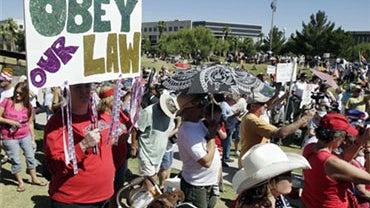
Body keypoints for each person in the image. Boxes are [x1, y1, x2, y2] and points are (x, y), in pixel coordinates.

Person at [44, 83, 115, 207]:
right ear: (67, 91)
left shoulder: (100, 116)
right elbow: (54, 166)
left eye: (87, 86)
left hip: (104, 195)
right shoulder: (57, 123)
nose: (84, 91)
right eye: (78, 87)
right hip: (74, 200)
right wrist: (83, 145)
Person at [301, 113, 370, 208]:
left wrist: (359, 142)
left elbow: (342, 157)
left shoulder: (310, 148)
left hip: (311, 202)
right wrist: (368, 148)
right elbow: (368, 178)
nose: (344, 140)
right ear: (335, 138)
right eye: (344, 136)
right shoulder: (331, 162)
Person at [239, 92, 315, 168]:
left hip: (251, 161)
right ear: (253, 106)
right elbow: (281, 133)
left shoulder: (251, 117)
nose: (265, 106)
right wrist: (304, 118)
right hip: (251, 163)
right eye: (262, 104)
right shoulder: (253, 120)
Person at [231, 143, 311, 208]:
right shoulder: (257, 206)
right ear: (271, 181)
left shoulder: (276, 198)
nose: (292, 177)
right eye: (287, 173)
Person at [177, 93, 221, 208]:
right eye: (200, 104)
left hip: (208, 183)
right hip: (196, 187)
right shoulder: (187, 131)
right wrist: (211, 135)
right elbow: (206, 162)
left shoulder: (199, 124)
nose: (204, 106)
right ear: (188, 110)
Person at [0, 82, 46, 192]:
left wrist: (33, 139)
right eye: (16, 92)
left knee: (30, 157)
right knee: (16, 160)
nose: (17, 95)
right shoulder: (7, 101)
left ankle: (34, 178)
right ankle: (20, 182)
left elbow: (30, 123)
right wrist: (9, 121)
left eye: (20, 93)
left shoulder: (28, 106)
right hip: (9, 137)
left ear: (25, 94)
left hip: (25, 136)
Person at [131, 93, 179, 188]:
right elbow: (136, 130)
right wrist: (134, 147)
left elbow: (165, 134)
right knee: (151, 183)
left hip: (159, 154)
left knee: (152, 180)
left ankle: (139, 197)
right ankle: (148, 200)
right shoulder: (148, 112)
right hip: (147, 153)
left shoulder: (170, 116)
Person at [97, 84, 132, 208]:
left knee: (118, 186)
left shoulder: (117, 114)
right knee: (107, 190)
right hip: (109, 162)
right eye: (117, 98)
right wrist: (118, 140)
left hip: (121, 158)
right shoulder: (100, 118)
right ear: (109, 101)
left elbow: (129, 124)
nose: (121, 100)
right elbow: (100, 144)